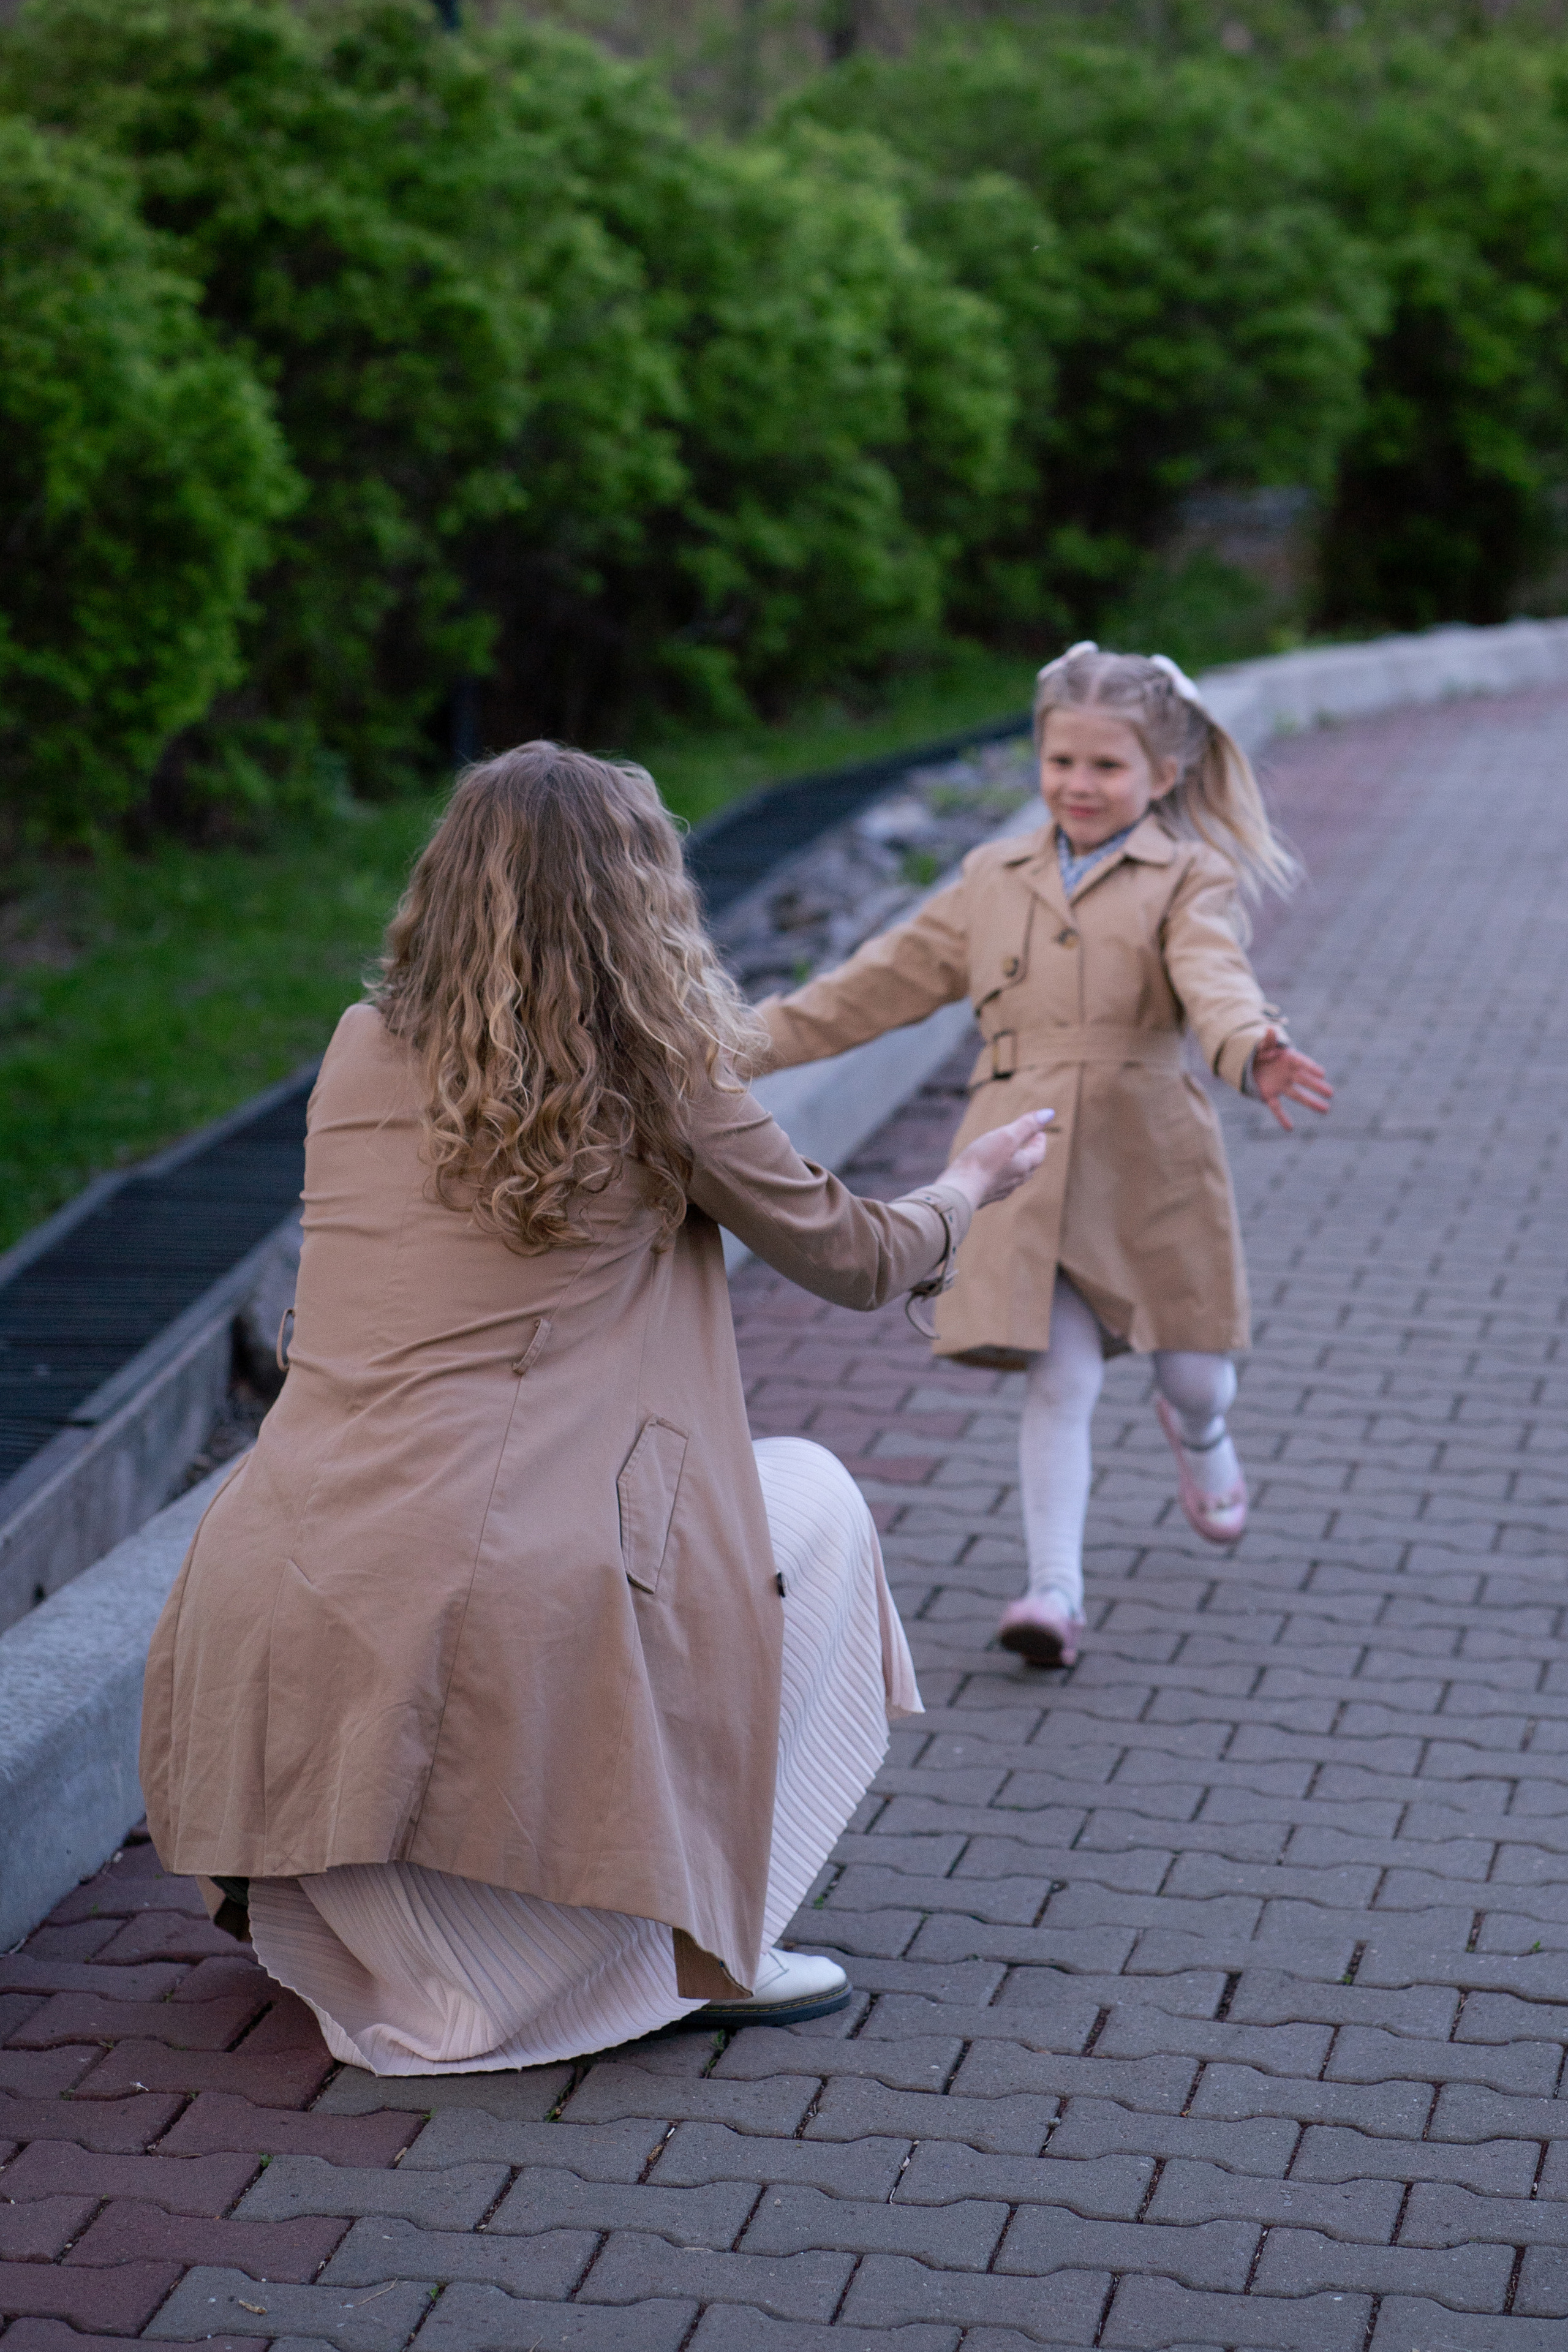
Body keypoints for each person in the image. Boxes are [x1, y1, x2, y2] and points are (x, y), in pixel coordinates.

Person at [138, 742, 1049, 2075]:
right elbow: (856, 1257)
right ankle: (708, 1949)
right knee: (804, 1508)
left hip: (281, 1564)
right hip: (502, 1585)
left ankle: (410, 1914)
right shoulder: (665, 1075)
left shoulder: (359, 1046)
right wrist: (971, 1185)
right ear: (642, 894)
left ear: (443, 884)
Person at [754, 643, 1333, 1670]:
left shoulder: (1188, 876)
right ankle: (1052, 1593)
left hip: (1150, 1162)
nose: (1078, 784)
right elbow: (870, 986)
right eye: (1062, 761)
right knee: (1058, 1379)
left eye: (1107, 767)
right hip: (1021, 1156)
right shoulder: (992, 877)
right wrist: (735, 1044)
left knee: (1197, 1374)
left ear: (1164, 775)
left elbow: (1216, 981)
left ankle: (1199, 1434)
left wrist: (1254, 1049)